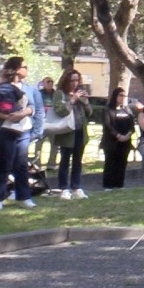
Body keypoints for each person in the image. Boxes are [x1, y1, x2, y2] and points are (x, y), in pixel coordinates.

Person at [0, 57, 38, 210]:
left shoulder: (28, 88)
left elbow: (33, 106)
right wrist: (5, 116)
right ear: (15, 69)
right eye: (24, 66)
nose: (26, 69)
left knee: (21, 164)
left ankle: (24, 196)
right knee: (4, 163)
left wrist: (23, 113)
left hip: (23, 129)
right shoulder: (0, 86)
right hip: (4, 128)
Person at [53, 69, 91, 200]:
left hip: (80, 130)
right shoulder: (60, 94)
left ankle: (76, 187)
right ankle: (64, 188)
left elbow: (89, 113)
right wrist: (73, 99)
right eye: (72, 80)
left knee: (77, 161)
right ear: (66, 81)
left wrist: (85, 102)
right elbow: (60, 111)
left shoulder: (80, 94)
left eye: (77, 80)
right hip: (67, 131)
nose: (75, 83)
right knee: (65, 160)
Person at [101, 87, 135, 189]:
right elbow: (108, 125)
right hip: (111, 142)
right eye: (120, 95)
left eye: (124, 96)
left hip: (125, 141)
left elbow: (132, 125)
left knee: (122, 162)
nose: (122, 98)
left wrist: (127, 135)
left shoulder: (127, 110)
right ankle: (108, 185)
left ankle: (119, 184)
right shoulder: (107, 110)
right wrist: (118, 135)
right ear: (115, 96)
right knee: (110, 163)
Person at [35, 77, 57, 171]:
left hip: (53, 122)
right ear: (43, 83)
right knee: (38, 144)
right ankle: (37, 163)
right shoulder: (39, 94)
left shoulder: (56, 94)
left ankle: (51, 164)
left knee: (55, 144)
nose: (50, 83)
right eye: (48, 82)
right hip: (42, 122)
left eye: (52, 81)